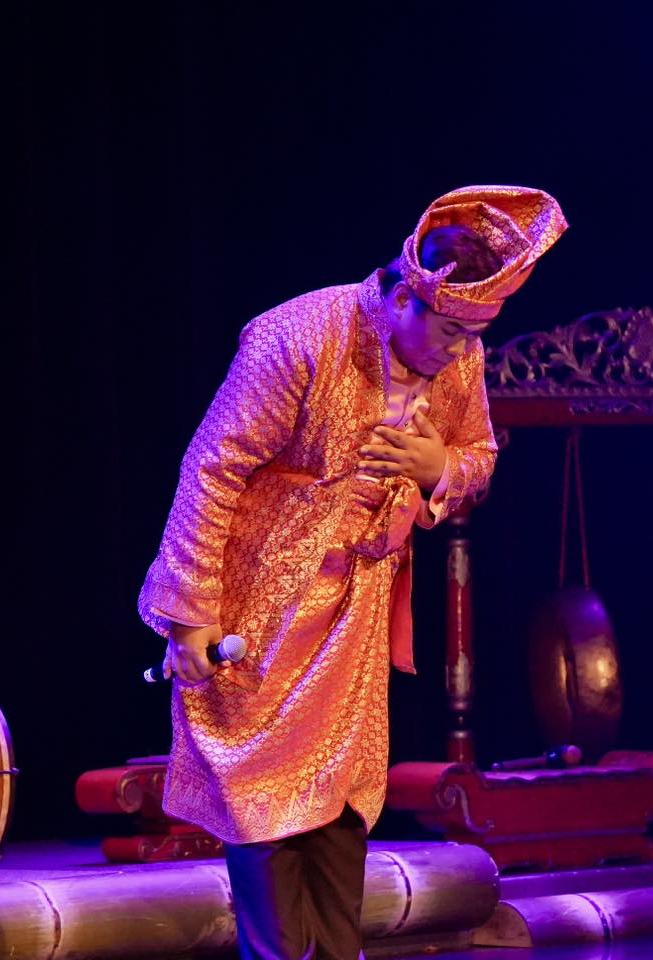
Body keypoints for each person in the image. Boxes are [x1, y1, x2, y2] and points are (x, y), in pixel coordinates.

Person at [138, 185, 566, 959]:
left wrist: (441, 464)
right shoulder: (298, 337)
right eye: (447, 331)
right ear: (405, 294)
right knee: (263, 803)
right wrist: (191, 611)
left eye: (474, 336)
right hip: (261, 604)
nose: (459, 352)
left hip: (357, 609)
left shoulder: (458, 356)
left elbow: (479, 455)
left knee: (337, 807)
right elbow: (211, 469)